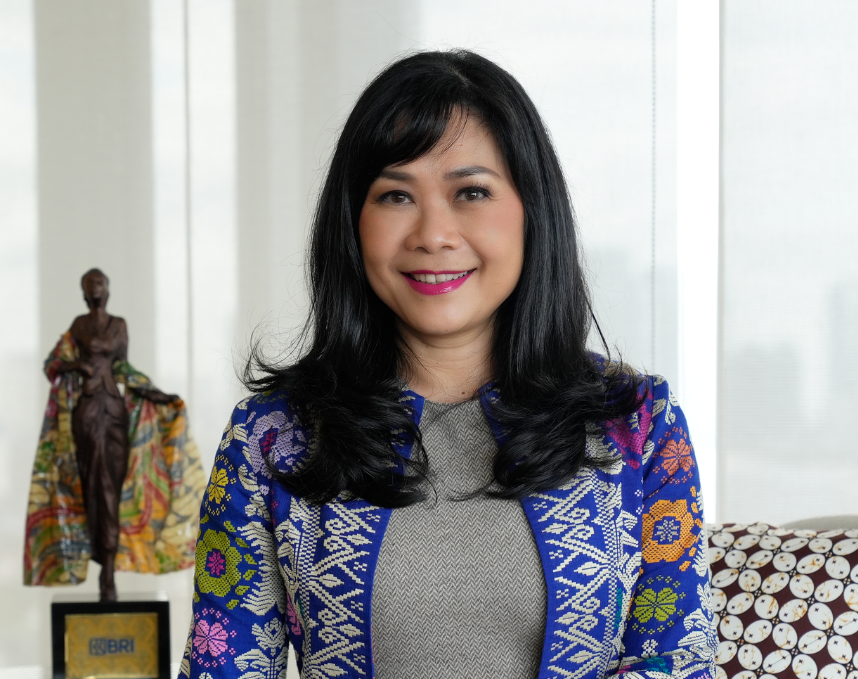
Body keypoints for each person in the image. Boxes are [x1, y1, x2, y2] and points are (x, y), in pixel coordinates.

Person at [181, 50, 716, 679]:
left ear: (532, 212)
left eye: (471, 192)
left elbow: (676, 662)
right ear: (353, 224)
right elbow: (223, 666)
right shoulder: (271, 438)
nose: (433, 234)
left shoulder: (639, 425)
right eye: (395, 195)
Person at [25, 268, 206, 602]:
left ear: (107, 289)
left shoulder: (119, 325)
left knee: (116, 486)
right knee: (97, 488)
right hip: (87, 412)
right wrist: (77, 366)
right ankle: (105, 570)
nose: (95, 288)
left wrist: (155, 393)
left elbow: (123, 367)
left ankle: (108, 562)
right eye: (89, 284)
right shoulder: (78, 325)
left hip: (115, 411)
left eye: (100, 283)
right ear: (84, 292)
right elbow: (52, 364)